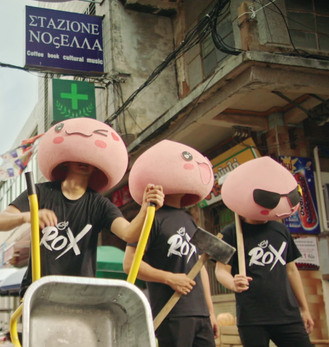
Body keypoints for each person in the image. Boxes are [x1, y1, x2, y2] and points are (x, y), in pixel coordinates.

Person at [0, 118, 164, 295]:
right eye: (79, 153)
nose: (85, 160)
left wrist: (145, 209)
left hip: (80, 293)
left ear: (98, 165)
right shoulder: (39, 192)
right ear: (66, 159)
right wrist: (29, 216)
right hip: (38, 291)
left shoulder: (99, 204)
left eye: (91, 155)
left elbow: (129, 233)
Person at [122, 140, 218, 347]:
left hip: (200, 314)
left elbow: (199, 266)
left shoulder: (190, 219)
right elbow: (130, 264)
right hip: (172, 311)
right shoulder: (149, 217)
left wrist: (210, 312)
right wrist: (169, 278)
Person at [215, 157, 313, 347]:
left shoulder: (281, 230)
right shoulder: (230, 233)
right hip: (252, 318)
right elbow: (220, 271)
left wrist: (304, 308)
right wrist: (233, 283)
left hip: (288, 315)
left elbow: (292, 271)